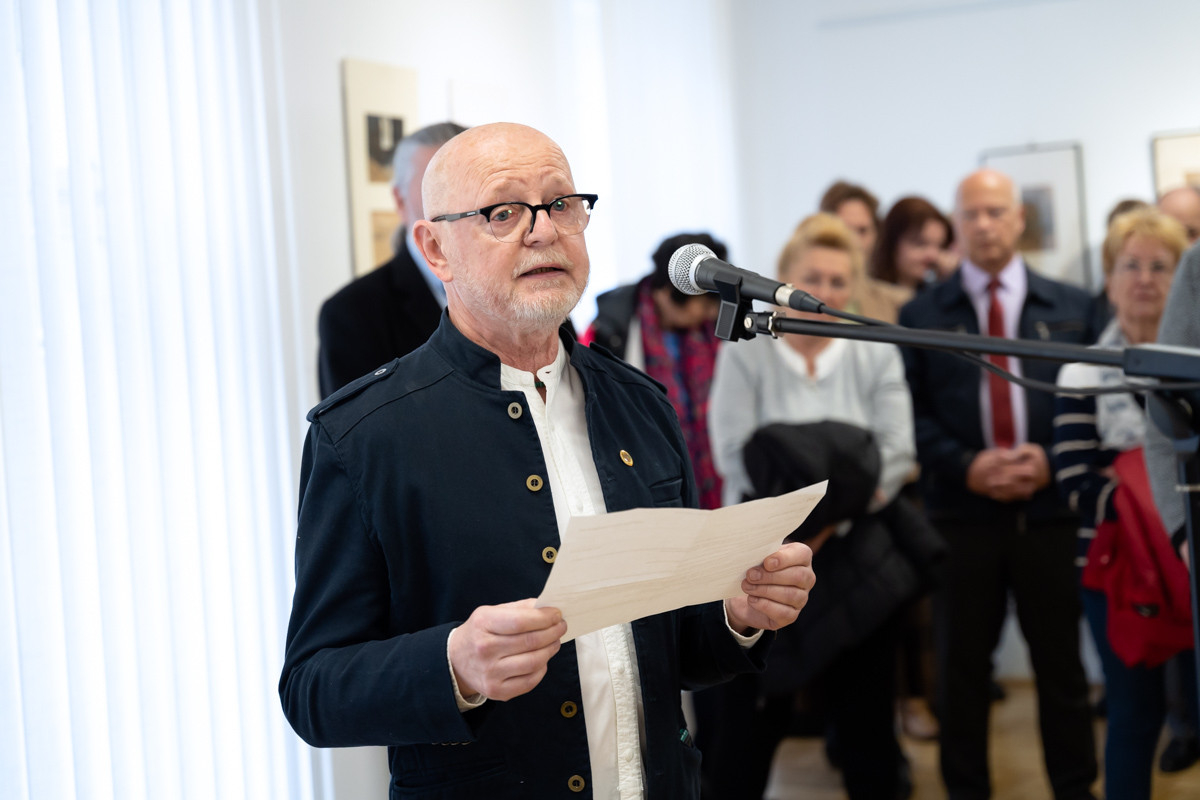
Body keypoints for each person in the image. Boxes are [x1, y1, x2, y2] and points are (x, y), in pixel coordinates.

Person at [279, 122, 816, 799]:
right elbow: (313, 689)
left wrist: (735, 614)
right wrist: (453, 665)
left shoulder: (641, 406)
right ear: (436, 248)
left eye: (562, 204)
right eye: (504, 212)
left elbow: (669, 647)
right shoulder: (364, 435)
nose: (543, 231)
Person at [701, 213, 920, 799]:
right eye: (813, 277)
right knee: (747, 726)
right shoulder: (747, 350)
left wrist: (827, 522)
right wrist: (811, 513)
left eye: (839, 280)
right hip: (760, 558)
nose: (825, 291)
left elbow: (896, 452)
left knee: (867, 721)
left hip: (854, 558)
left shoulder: (874, 351)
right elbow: (733, 454)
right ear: (785, 281)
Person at [898, 168, 1099, 799]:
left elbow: (1095, 405)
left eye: (996, 211)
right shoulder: (920, 315)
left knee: (1061, 669)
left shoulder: (1075, 307)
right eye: (971, 214)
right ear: (956, 226)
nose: (984, 224)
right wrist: (966, 465)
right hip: (961, 518)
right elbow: (909, 415)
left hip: (1051, 514)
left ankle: (1075, 788)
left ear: (1019, 219)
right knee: (960, 674)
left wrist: (1053, 459)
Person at [1052, 207, 1189, 800]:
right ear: (1108, 281)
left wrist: (1131, 477)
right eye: (1130, 265)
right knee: (1134, 713)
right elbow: (1076, 480)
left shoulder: (1195, 364)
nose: (1144, 279)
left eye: (1161, 267)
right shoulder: (1082, 371)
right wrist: (1159, 498)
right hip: (1118, 571)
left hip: (1193, 560)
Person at [316, 121, 467, 398]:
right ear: (400, 200)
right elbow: (355, 424)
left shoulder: (524, 281)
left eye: (473, 185)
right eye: (438, 186)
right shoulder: (352, 314)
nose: (462, 202)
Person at [585, 232, 726, 509]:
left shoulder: (713, 331)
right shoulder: (611, 330)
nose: (710, 313)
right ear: (668, 293)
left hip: (713, 470)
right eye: (704, 304)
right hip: (650, 469)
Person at [819, 180, 911, 322]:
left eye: (862, 231)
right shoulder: (796, 298)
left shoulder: (898, 303)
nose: (855, 241)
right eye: (845, 229)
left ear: (876, 234)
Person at [872, 196, 954, 293]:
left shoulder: (940, 292)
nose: (933, 256)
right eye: (920, 244)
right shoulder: (867, 293)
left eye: (941, 246)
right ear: (892, 242)